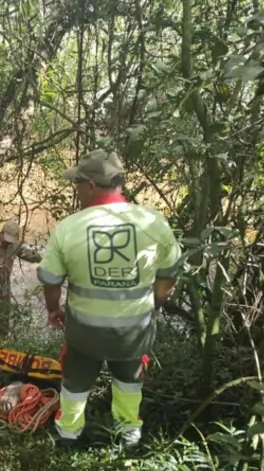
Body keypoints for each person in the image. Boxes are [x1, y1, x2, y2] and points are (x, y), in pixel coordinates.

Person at [36, 150, 182, 446]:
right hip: (134, 331)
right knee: (129, 384)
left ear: (90, 184)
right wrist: (155, 303)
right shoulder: (152, 222)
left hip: (84, 332)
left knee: (75, 384)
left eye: (76, 182)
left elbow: (51, 280)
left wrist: (54, 309)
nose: (75, 188)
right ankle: (128, 436)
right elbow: (169, 274)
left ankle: (68, 435)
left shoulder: (70, 227)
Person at [0, 219, 41, 338]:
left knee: (5, 324)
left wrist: (45, 257)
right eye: (7, 240)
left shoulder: (15, 245)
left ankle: (4, 345)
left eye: (11, 242)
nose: (8, 244)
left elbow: (28, 255)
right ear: (1, 234)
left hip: (4, 290)